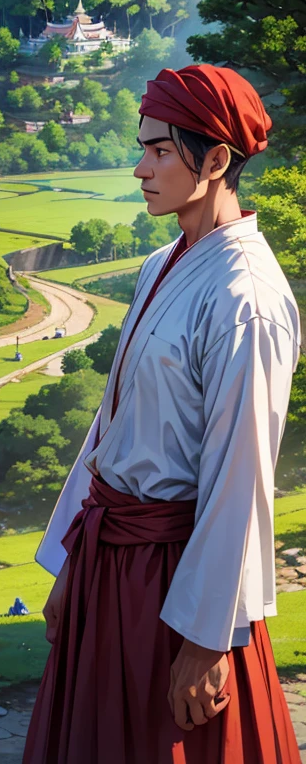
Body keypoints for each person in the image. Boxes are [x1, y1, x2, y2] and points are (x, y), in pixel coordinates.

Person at [23, 65, 302, 763]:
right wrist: (67, 562)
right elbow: (111, 423)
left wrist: (208, 641)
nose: (140, 169)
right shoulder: (161, 264)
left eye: (159, 152)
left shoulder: (249, 301)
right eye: (141, 148)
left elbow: (240, 482)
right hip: (110, 563)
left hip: (174, 575)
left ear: (214, 161)